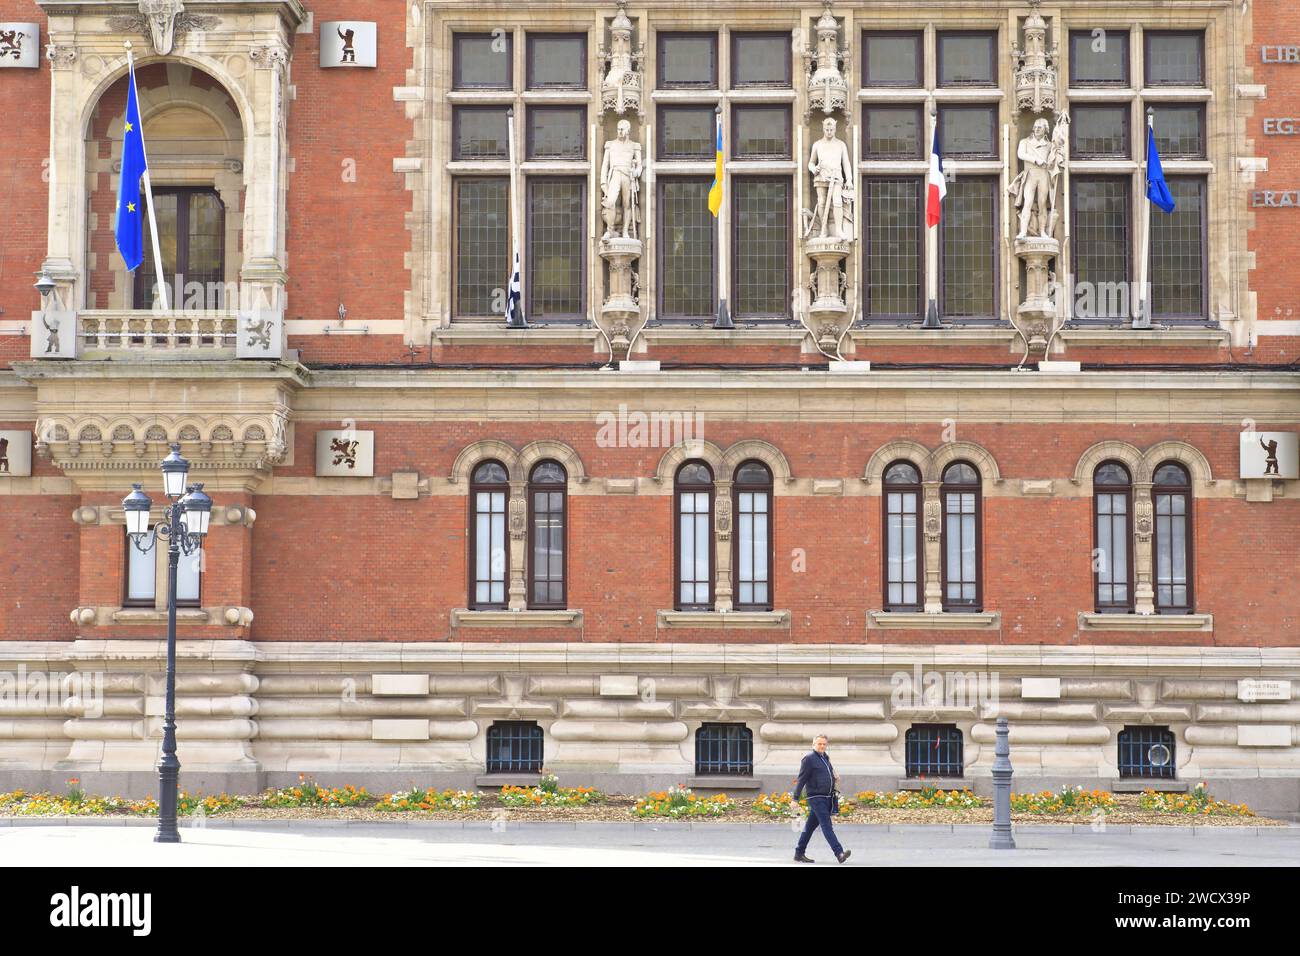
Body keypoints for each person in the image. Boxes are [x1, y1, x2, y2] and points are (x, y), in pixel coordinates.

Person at [792, 733, 851, 863]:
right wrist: (795, 798)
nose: (822, 746)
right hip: (816, 797)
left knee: (809, 827)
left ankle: (799, 853)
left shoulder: (825, 757)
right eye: (819, 744)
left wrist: (834, 774)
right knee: (827, 826)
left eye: (824, 744)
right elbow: (801, 779)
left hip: (827, 797)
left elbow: (828, 770)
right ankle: (839, 853)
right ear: (813, 745)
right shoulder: (809, 759)